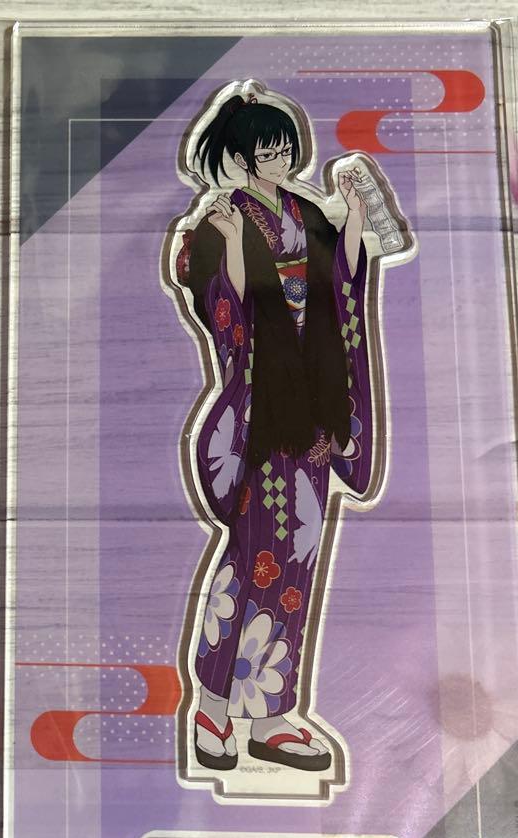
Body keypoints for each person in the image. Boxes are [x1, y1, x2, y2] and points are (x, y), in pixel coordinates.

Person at [175, 90, 378, 773]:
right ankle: (211, 705)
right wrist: (234, 243)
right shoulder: (225, 216)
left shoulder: (306, 212)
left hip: (312, 400)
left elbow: (341, 284)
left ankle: (271, 716)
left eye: (285, 148)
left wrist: (353, 223)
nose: (280, 159)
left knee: (299, 558)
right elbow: (223, 306)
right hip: (263, 408)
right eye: (267, 151)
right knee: (249, 558)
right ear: (242, 157)